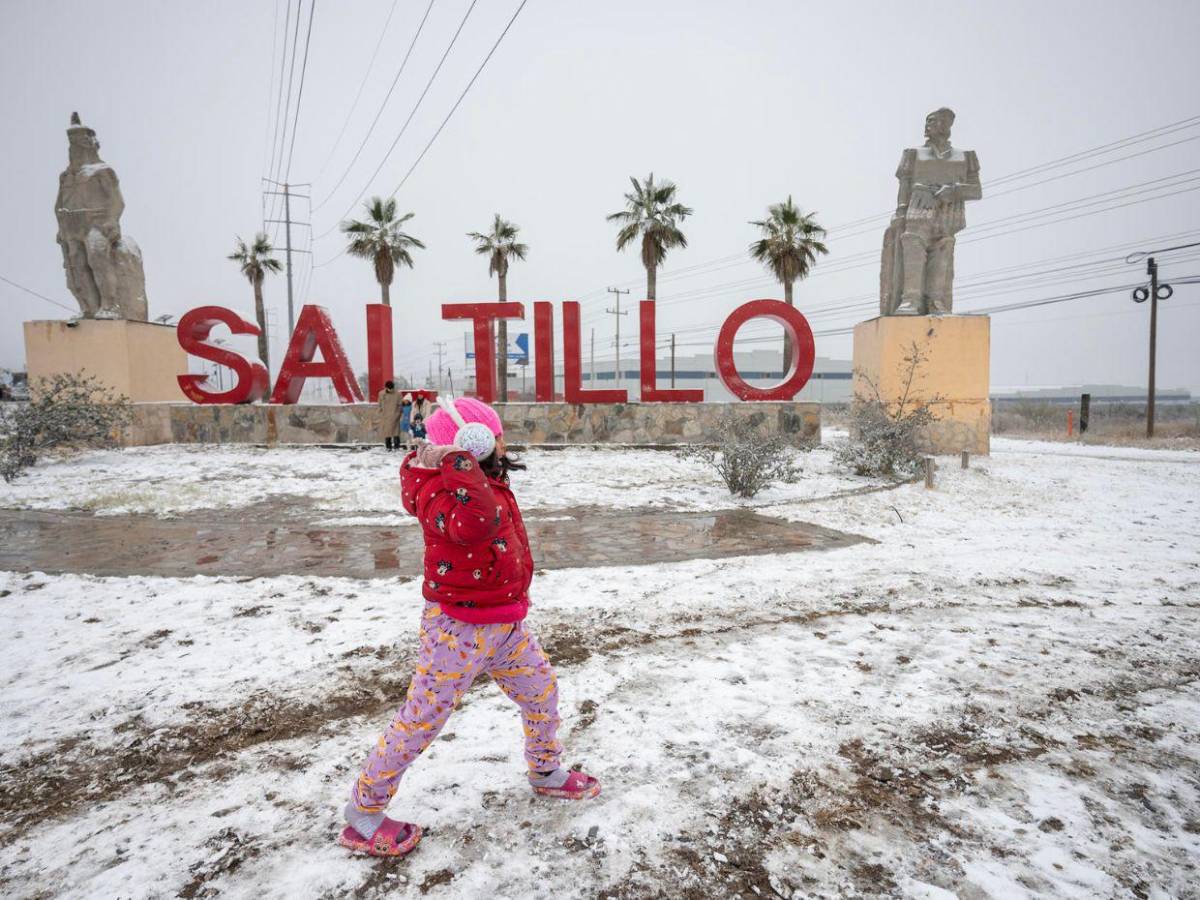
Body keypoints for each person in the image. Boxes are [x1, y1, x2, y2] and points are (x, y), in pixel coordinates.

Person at [339, 396, 600, 858]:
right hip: (456, 631)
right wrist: (460, 463)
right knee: (421, 720)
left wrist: (469, 468)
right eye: (495, 437)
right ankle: (363, 812)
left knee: (541, 690)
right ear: (472, 444)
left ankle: (545, 769)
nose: (503, 444)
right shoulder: (437, 490)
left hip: (505, 624)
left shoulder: (480, 481)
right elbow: (477, 525)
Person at [377, 382, 403, 451]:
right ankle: (388, 447)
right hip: (385, 415)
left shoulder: (398, 394)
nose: (390, 390)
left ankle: (397, 447)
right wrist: (380, 412)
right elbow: (379, 404)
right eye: (389, 388)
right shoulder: (381, 393)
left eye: (391, 388)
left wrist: (398, 414)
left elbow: (400, 405)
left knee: (396, 432)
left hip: (395, 415)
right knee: (387, 432)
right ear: (386, 387)